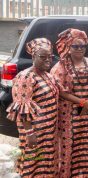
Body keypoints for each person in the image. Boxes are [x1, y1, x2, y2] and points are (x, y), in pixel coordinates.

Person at [50, 28, 88, 177]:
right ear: (68, 47)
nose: (79, 49)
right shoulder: (61, 67)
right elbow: (61, 91)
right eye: (75, 46)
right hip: (71, 118)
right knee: (73, 150)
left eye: (82, 46)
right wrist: (82, 102)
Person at [7, 38, 59, 177]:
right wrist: (29, 133)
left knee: (45, 162)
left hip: (48, 131)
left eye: (50, 56)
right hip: (34, 131)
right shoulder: (26, 77)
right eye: (43, 57)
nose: (48, 60)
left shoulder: (47, 75)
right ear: (33, 56)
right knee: (33, 161)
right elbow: (22, 107)